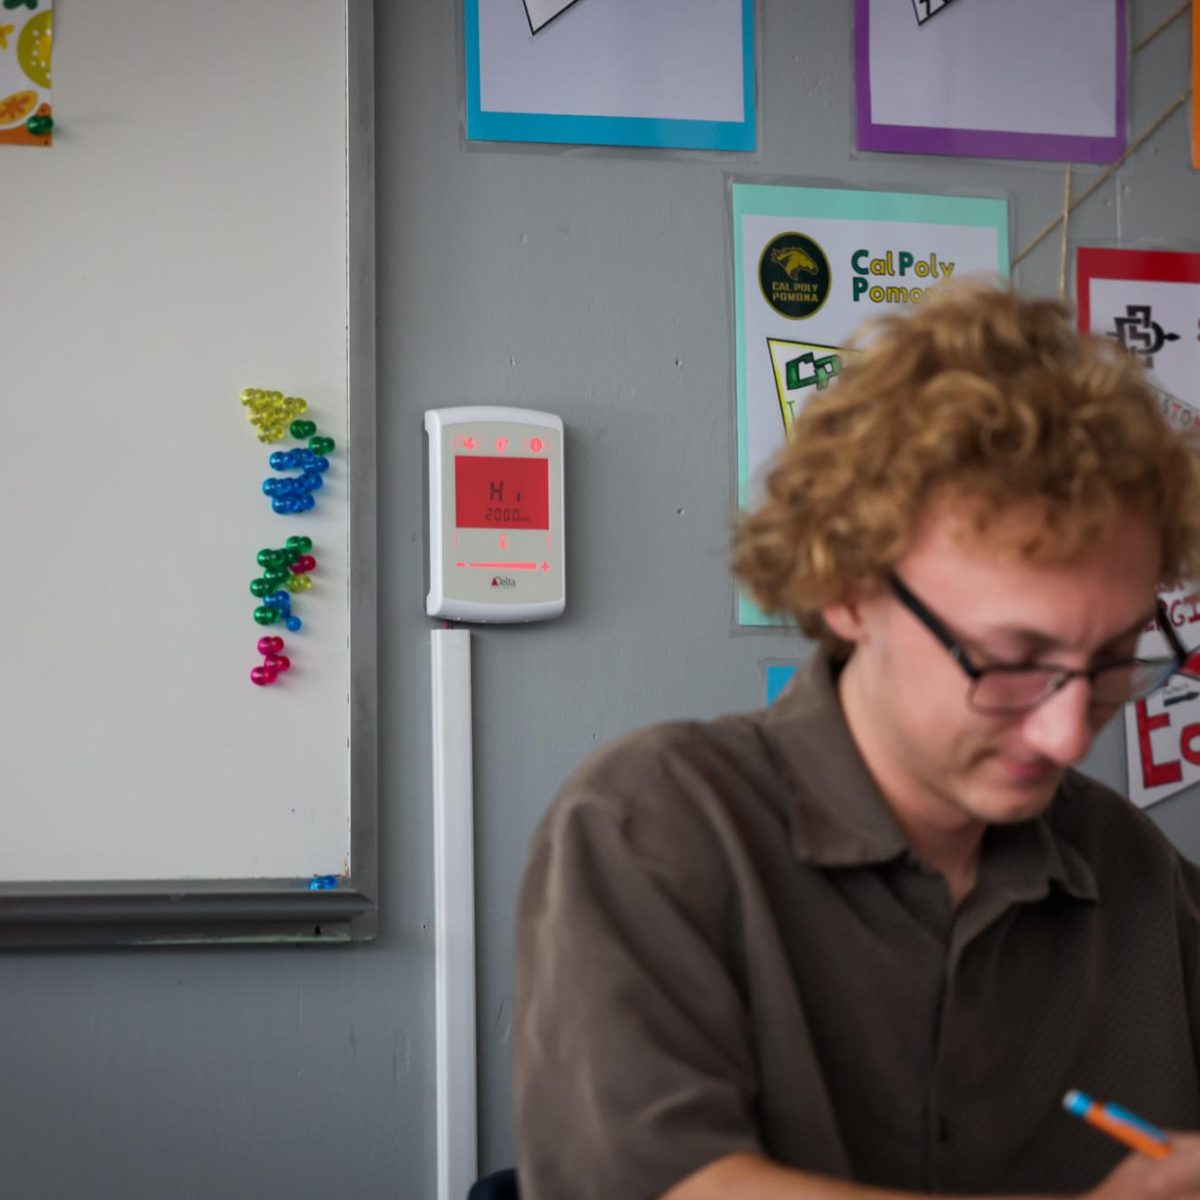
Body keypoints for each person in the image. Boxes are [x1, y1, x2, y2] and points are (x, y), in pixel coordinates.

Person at [512, 281, 1200, 1200]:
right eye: (1008, 659)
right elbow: (677, 1187)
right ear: (850, 589)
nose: (1068, 729)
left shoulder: (1131, 868)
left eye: (1116, 659)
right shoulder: (656, 822)